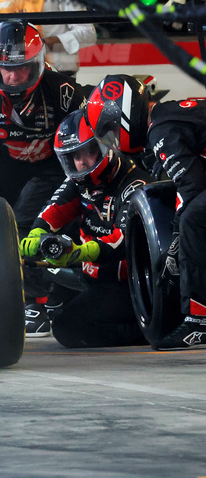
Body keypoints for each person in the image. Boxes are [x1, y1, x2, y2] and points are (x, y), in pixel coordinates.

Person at [0, 19, 83, 337]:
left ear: (37, 64)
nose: (13, 77)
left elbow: (85, 140)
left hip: (54, 166)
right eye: (6, 69)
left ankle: (36, 302)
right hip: (6, 163)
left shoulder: (63, 92)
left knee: (26, 222)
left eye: (22, 68)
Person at [19, 110, 148, 348]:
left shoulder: (135, 184)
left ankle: (148, 329)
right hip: (89, 276)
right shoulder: (78, 181)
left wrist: (81, 252)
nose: (81, 162)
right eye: (73, 156)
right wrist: (37, 233)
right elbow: (54, 208)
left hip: (129, 284)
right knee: (56, 304)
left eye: (87, 152)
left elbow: (123, 240)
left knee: (67, 329)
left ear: (105, 146)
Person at [146, 96, 206, 349]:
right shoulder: (174, 110)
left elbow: (192, 187)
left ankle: (199, 322)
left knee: (193, 220)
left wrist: (175, 242)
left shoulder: (160, 127)